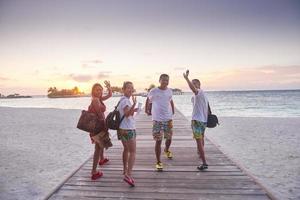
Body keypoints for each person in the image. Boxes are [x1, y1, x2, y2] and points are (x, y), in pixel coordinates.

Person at [146, 74, 175, 171]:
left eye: (167, 80)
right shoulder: (153, 91)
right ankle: (158, 161)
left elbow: (170, 100)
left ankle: (166, 150)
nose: (165, 82)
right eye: (163, 80)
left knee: (169, 138)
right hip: (157, 120)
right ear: (159, 80)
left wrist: (173, 110)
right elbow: (148, 99)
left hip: (168, 118)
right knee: (158, 141)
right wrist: (147, 110)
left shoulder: (169, 91)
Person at [183, 70, 209, 170]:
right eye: (192, 83)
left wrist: (186, 78)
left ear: (199, 84)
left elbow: (194, 89)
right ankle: (200, 153)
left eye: (195, 83)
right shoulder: (199, 95)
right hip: (203, 121)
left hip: (197, 121)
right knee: (201, 138)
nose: (193, 85)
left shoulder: (199, 92)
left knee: (199, 142)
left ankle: (204, 163)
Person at [89, 81, 112, 180]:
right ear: (93, 91)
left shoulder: (99, 99)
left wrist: (109, 87)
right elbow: (99, 115)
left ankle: (102, 159)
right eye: (97, 89)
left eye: (101, 90)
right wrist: (105, 125)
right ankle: (94, 172)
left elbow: (110, 95)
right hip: (97, 127)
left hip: (99, 126)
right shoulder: (95, 100)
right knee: (97, 149)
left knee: (101, 144)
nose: (99, 91)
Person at [117, 81, 138, 186]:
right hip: (128, 129)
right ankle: (128, 175)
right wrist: (134, 104)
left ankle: (125, 169)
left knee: (126, 149)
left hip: (122, 129)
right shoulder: (126, 101)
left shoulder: (121, 100)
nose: (130, 89)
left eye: (132, 88)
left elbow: (127, 112)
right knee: (133, 152)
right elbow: (126, 114)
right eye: (128, 88)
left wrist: (133, 109)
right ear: (123, 89)